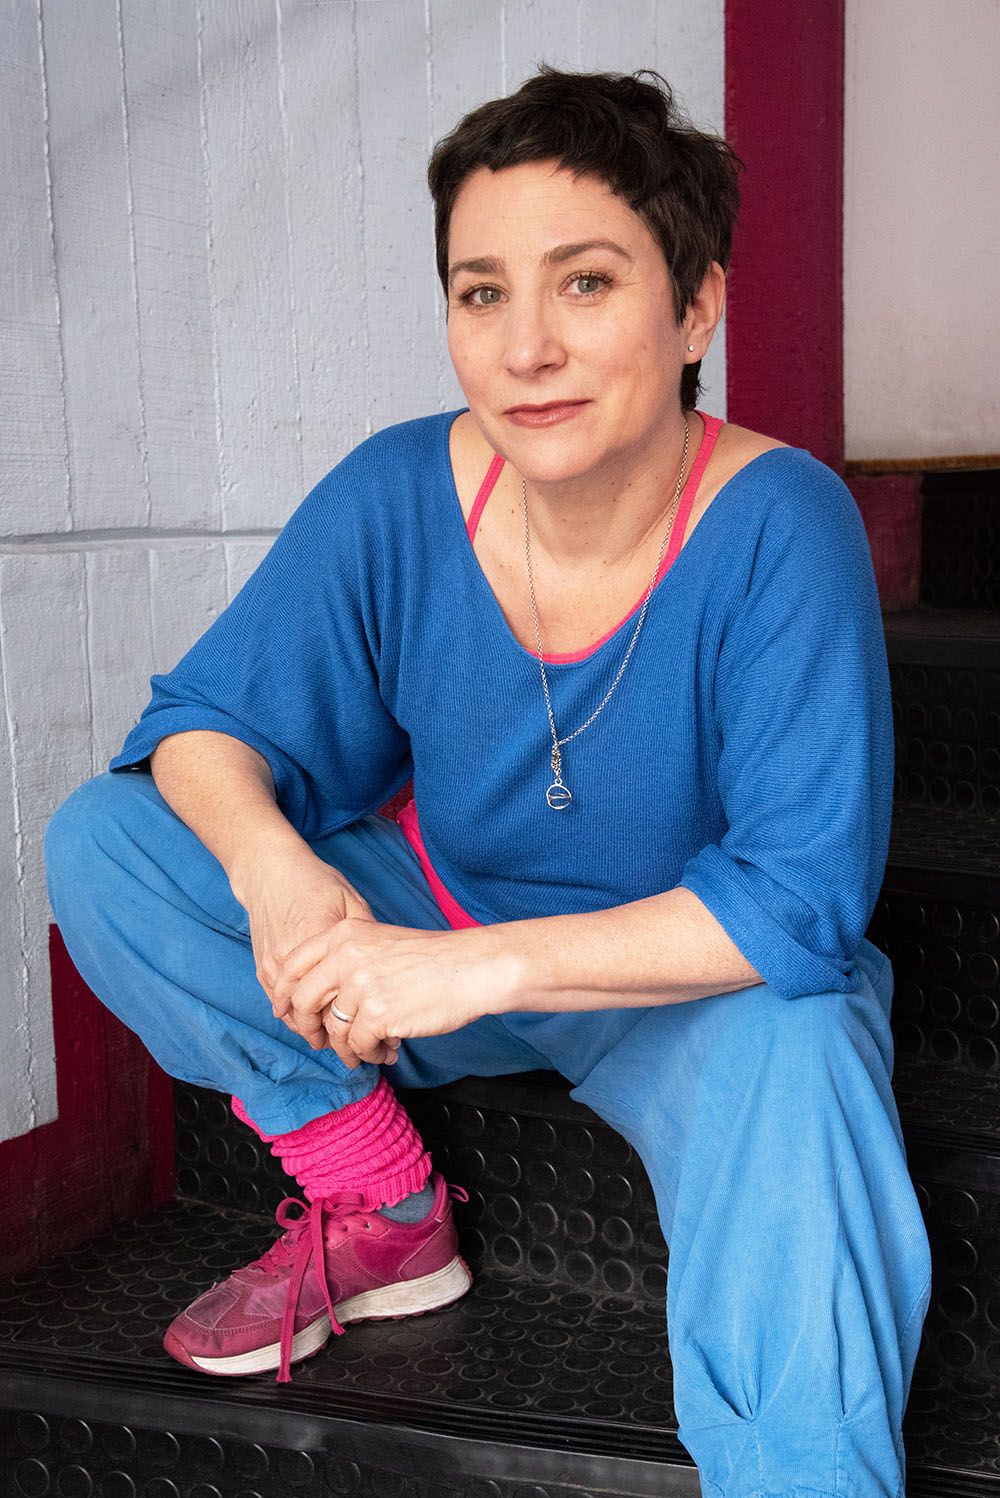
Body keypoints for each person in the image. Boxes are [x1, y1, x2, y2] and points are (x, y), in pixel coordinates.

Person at [44, 66, 932, 1498]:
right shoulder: (400, 490)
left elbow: (797, 905)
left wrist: (468, 973)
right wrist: (282, 878)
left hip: (683, 988)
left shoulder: (783, 522)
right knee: (111, 838)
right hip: (439, 915)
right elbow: (203, 723)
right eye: (481, 293)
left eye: (586, 282)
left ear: (697, 306)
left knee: (809, 1052)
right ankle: (381, 1204)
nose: (527, 348)